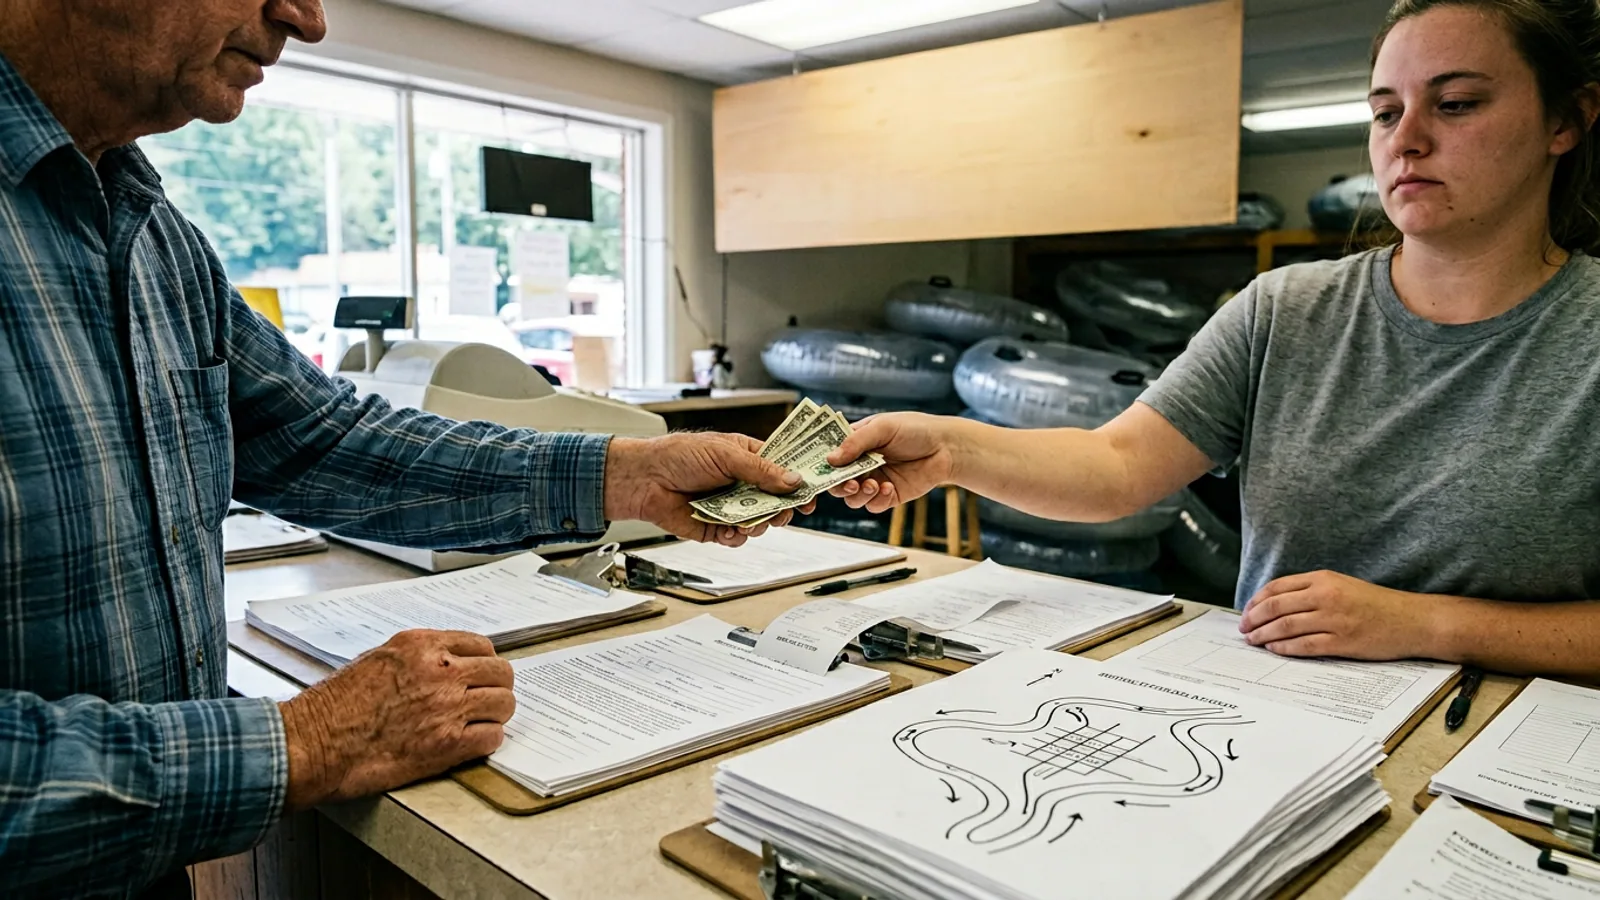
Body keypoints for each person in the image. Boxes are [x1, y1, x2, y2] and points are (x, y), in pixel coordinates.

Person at [0, 2, 810, 897]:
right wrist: (306, 742)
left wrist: (628, 472)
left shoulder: (151, 234)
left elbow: (328, 441)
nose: (304, 18)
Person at [830, 0, 1600, 680]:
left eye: (1457, 103)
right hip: (1275, 727)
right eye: (1384, 111)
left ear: (1566, 121)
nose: (1409, 139)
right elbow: (1119, 465)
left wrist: (1427, 623)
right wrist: (953, 449)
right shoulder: (1283, 310)